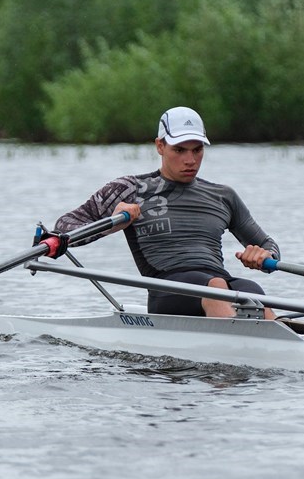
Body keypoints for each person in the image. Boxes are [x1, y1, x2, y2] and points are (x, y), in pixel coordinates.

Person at [51, 106, 279, 319]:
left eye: (197, 150)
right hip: (167, 290)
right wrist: (112, 224)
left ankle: (284, 352)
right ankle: (244, 347)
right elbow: (63, 227)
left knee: (253, 291)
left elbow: (270, 245)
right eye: (179, 150)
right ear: (160, 146)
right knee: (216, 286)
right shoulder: (130, 189)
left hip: (216, 283)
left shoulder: (223, 196)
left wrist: (264, 255)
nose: (190, 160)